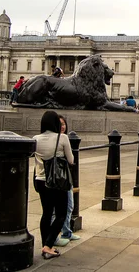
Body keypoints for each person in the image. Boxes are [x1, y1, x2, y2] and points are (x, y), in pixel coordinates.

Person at [33, 111, 74, 259]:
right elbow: (71, 160)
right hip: (57, 181)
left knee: (46, 213)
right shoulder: (62, 138)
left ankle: (46, 246)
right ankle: (48, 245)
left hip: (40, 180)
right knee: (61, 214)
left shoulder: (35, 139)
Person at [52, 115, 81, 247]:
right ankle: (54, 236)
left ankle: (66, 232)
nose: (62, 126)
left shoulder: (42, 138)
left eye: (64, 124)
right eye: (60, 124)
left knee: (68, 206)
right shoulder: (63, 138)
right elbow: (71, 159)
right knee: (61, 207)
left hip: (59, 177)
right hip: (60, 177)